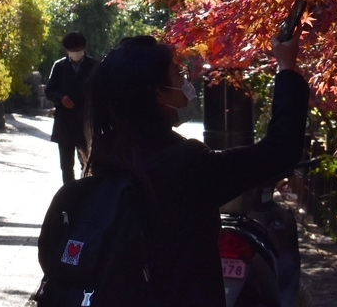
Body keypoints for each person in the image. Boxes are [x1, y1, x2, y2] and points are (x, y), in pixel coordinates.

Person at [85, 32, 308, 306]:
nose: (186, 81)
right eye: (177, 73)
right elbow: (280, 150)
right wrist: (287, 68)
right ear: (157, 93)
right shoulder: (185, 166)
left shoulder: (107, 157)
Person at [44, 31, 97, 183]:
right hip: (65, 122)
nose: (75, 53)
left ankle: (84, 194)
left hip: (85, 123)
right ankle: (68, 194)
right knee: (66, 166)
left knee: (87, 163)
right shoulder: (60, 66)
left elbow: (100, 90)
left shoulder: (93, 66)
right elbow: (49, 90)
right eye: (72, 50)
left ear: (83, 48)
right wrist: (61, 98)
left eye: (78, 49)